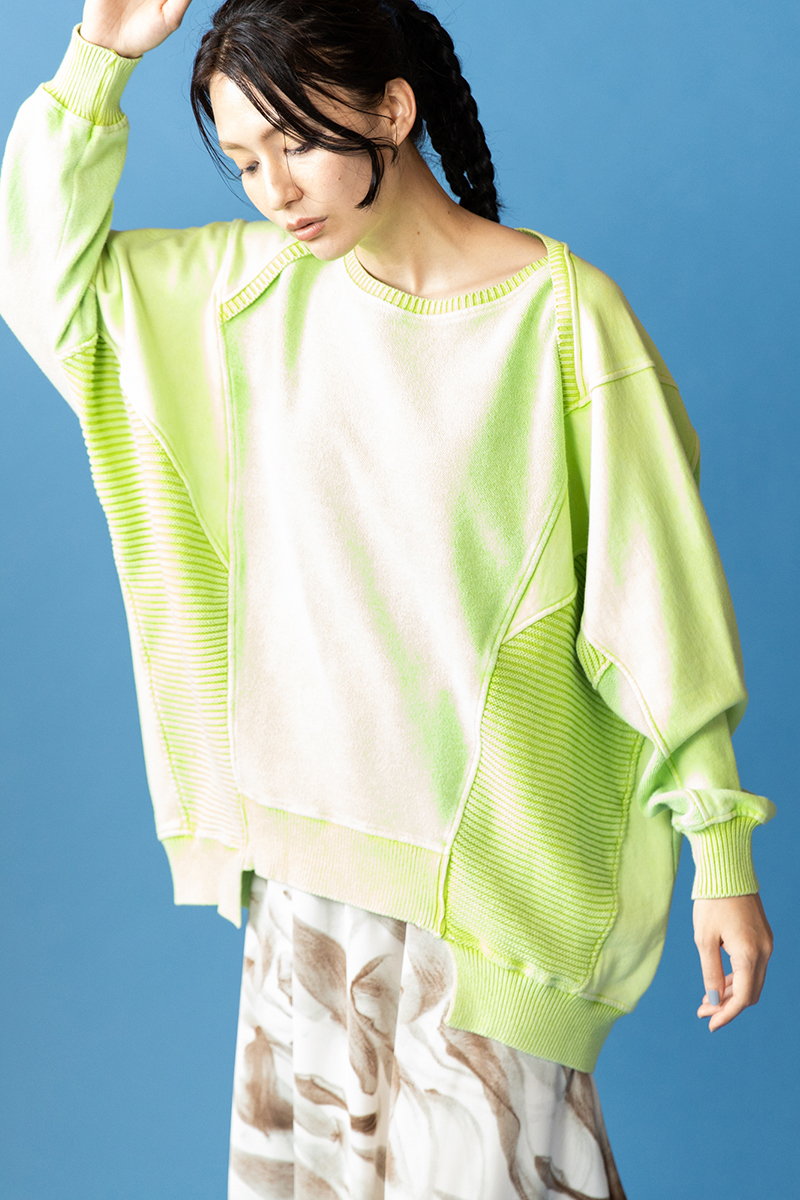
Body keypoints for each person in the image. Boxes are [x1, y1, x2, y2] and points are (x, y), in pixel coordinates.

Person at [0, 0, 776, 1196]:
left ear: (391, 109)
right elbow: (41, 280)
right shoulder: (241, 294)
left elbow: (652, 592)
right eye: (242, 161)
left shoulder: (561, 318)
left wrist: (717, 846)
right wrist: (97, 59)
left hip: (488, 906)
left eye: (295, 143)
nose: (272, 190)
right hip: (301, 880)